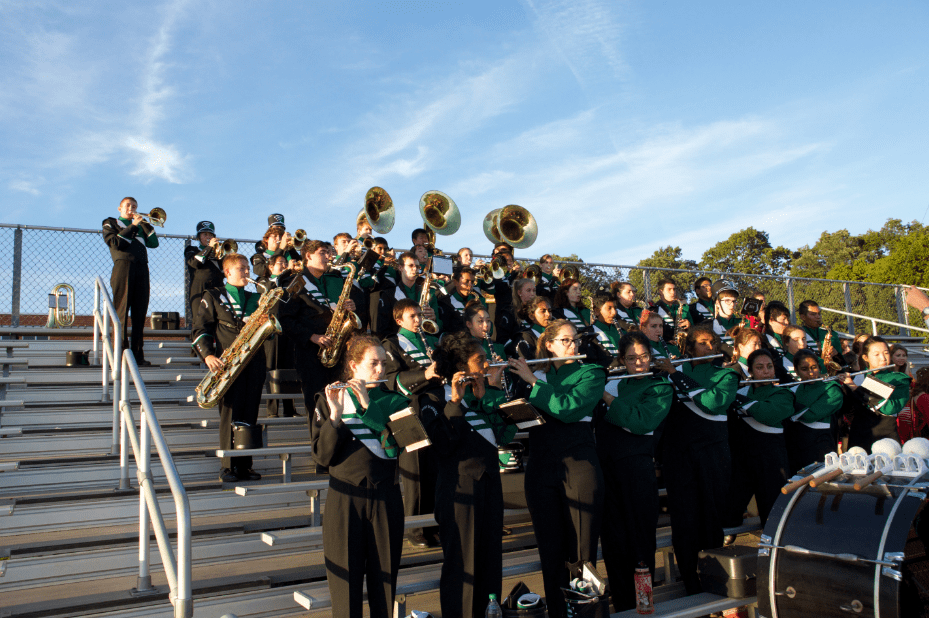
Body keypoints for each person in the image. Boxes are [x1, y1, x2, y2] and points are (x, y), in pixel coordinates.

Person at [507, 320, 606, 618]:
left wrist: (533, 381)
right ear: (549, 345)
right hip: (541, 466)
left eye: (575, 339)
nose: (573, 345)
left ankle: (586, 614)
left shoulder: (592, 372)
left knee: (582, 552)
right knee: (550, 552)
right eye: (565, 340)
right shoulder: (535, 375)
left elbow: (568, 408)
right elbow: (515, 419)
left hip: (579, 466)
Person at [311, 334, 414, 618]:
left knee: (384, 585)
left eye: (383, 363)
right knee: (345, 589)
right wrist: (335, 418)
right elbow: (322, 457)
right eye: (373, 363)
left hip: (385, 497)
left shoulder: (395, 400)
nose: (380, 370)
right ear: (354, 365)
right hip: (344, 501)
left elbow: (405, 444)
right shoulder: (329, 398)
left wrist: (369, 406)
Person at [431, 331, 515, 618]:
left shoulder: (483, 395)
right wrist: (455, 403)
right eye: (480, 360)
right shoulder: (437, 397)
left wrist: (489, 394)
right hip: (459, 491)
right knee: (462, 567)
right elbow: (442, 446)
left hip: (490, 484)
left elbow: (504, 436)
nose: (487, 364)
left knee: (490, 562)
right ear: (461, 366)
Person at [658, 324, 737, 595]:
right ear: (689, 348)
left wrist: (676, 375)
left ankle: (714, 581)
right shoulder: (674, 371)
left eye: (713, 342)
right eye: (703, 343)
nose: (710, 347)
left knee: (711, 518)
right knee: (684, 520)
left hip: (713, 455)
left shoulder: (726, 374)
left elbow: (713, 403)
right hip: (679, 456)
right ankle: (690, 582)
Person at [597, 330, 672, 612]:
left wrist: (605, 397)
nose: (638, 363)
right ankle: (622, 606)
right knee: (614, 544)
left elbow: (640, 422)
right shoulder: (613, 383)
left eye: (643, 356)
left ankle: (643, 606)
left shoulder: (660, 386)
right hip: (607, 472)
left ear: (651, 357)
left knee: (641, 544)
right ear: (621, 360)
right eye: (631, 358)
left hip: (638, 473)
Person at [191, 253, 265, 483]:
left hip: (254, 362)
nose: (247, 272)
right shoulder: (213, 295)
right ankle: (228, 465)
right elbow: (200, 328)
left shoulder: (257, 297)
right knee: (230, 414)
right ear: (227, 272)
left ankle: (245, 465)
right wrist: (208, 355)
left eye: (247, 268)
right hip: (227, 363)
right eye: (242, 268)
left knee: (250, 413)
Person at [382, 299, 443, 548]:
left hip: (433, 409)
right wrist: (425, 374)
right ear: (399, 320)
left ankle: (432, 524)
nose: (418, 320)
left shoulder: (428, 339)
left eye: (419, 315)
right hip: (407, 412)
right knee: (415, 473)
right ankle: (415, 528)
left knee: (433, 470)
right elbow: (391, 379)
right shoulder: (391, 344)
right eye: (412, 317)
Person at [727, 349, 794, 528]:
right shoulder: (743, 391)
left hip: (772, 461)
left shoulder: (783, 393)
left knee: (772, 515)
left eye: (769, 367)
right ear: (750, 371)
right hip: (743, 460)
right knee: (729, 513)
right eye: (759, 367)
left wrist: (736, 398)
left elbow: (766, 414)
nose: (766, 371)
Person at [102, 196, 158, 366]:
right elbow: (116, 243)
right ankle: (120, 355)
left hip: (142, 268)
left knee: (140, 313)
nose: (131, 208)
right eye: (127, 205)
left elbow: (154, 243)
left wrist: (144, 224)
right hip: (123, 266)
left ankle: (137, 356)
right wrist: (133, 226)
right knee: (122, 311)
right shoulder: (111, 223)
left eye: (134, 206)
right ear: (119, 208)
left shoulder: (141, 225)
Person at [844, 336, 912, 451]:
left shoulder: (899, 379)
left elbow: (890, 408)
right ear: (865, 357)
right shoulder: (857, 378)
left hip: (885, 439)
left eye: (886, 353)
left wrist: (855, 388)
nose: (883, 358)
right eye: (876, 354)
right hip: (858, 438)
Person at [783, 348, 845, 473]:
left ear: (819, 367)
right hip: (795, 446)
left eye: (814, 367)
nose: (811, 373)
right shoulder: (793, 390)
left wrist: (784, 403)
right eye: (804, 369)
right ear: (796, 371)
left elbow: (810, 415)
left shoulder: (832, 389)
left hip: (820, 446)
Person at [259, 252, 298, 418]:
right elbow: (269, 289)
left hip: (287, 329)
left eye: (285, 263)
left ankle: (289, 409)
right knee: (272, 367)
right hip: (272, 331)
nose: (284, 265)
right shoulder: (264, 281)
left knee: (288, 368)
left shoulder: (289, 281)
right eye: (281, 263)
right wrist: (287, 272)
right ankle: (272, 410)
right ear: (270, 267)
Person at [376, 252, 441, 339]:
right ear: (400, 267)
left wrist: (434, 319)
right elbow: (383, 329)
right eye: (411, 265)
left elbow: (439, 326)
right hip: (400, 341)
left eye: (417, 266)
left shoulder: (429, 294)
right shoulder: (388, 295)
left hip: (426, 340)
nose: (415, 269)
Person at [184, 220, 225, 322]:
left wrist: (224, 256)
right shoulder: (192, 249)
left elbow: (225, 272)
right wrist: (209, 247)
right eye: (205, 234)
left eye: (210, 235)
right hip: (200, 290)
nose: (208, 237)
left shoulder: (219, 253)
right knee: (200, 321)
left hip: (218, 290)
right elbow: (195, 263)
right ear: (199, 237)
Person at [504, 295, 552, 361]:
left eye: (550, 310)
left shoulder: (555, 333)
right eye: (543, 311)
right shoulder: (524, 336)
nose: (548, 314)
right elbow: (527, 363)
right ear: (531, 316)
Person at [494, 278, 536, 346]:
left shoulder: (538, 311)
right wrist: (516, 349)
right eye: (528, 290)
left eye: (534, 290)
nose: (532, 294)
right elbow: (502, 339)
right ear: (519, 293)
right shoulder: (509, 312)